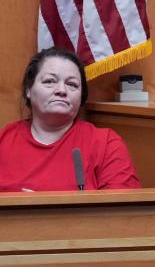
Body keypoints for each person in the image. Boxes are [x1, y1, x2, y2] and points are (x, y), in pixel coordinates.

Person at [0, 47, 141, 191]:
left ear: (81, 97)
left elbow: (123, 210)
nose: (61, 90)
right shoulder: (3, 140)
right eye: (50, 81)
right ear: (28, 90)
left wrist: (45, 210)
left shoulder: (106, 144)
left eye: (71, 84)